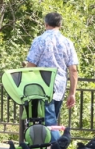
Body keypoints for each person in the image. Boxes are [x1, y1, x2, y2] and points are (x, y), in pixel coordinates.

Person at [26, 12, 79, 141]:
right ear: (60, 25)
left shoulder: (39, 40)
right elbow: (73, 70)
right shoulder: (67, 42)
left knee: (47, 122)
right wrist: (72, 93)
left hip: (41, 86)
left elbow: (30, 66)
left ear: (46, 24)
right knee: (52, 119)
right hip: (59, 87)